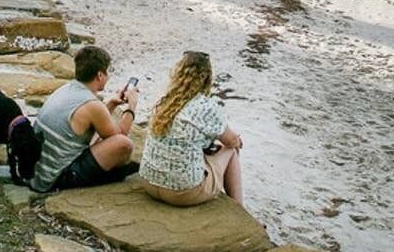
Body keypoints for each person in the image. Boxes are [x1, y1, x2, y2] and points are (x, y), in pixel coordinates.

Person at [141, 51, 245, 207]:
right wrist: (237, 140)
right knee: (230, 150)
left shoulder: (165, 100)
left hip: (148, 182)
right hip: (182, 194)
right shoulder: (206, 106)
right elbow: (231, 141)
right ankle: (239, 209)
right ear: (207, 78)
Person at [31, 46, 140, 193]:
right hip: (55, 178)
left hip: (37, 173)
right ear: (100, 75)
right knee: (124, 145)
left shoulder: (66, 89)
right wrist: (132, 106)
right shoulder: (91, 104)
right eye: (108, 72)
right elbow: (119, 137)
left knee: (105, 137)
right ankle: (113, 175)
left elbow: (93, 120)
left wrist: (111, 103)